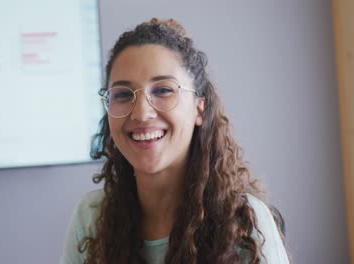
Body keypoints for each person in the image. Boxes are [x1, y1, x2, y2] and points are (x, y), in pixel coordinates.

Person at [61, 18, 290, 264]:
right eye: (124, 94)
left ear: (199, 109)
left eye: (163, 90)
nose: (141, 113)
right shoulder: (92, 218)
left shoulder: (245, 222)